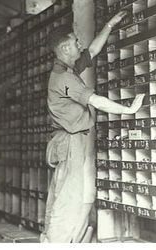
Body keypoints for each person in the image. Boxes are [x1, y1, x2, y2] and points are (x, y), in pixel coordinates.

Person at [41, 11, 145, 243]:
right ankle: (55, 243)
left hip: (67, 140)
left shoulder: (66, 69)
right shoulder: (65, 79)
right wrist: (128, 109)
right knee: (69, 199)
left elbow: (93, 51)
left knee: (61, 195)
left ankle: (49, 241)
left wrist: (110, 24)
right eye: (75, 41)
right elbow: (96, 100)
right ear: (65, 48)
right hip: (70, 142)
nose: (80, 44)